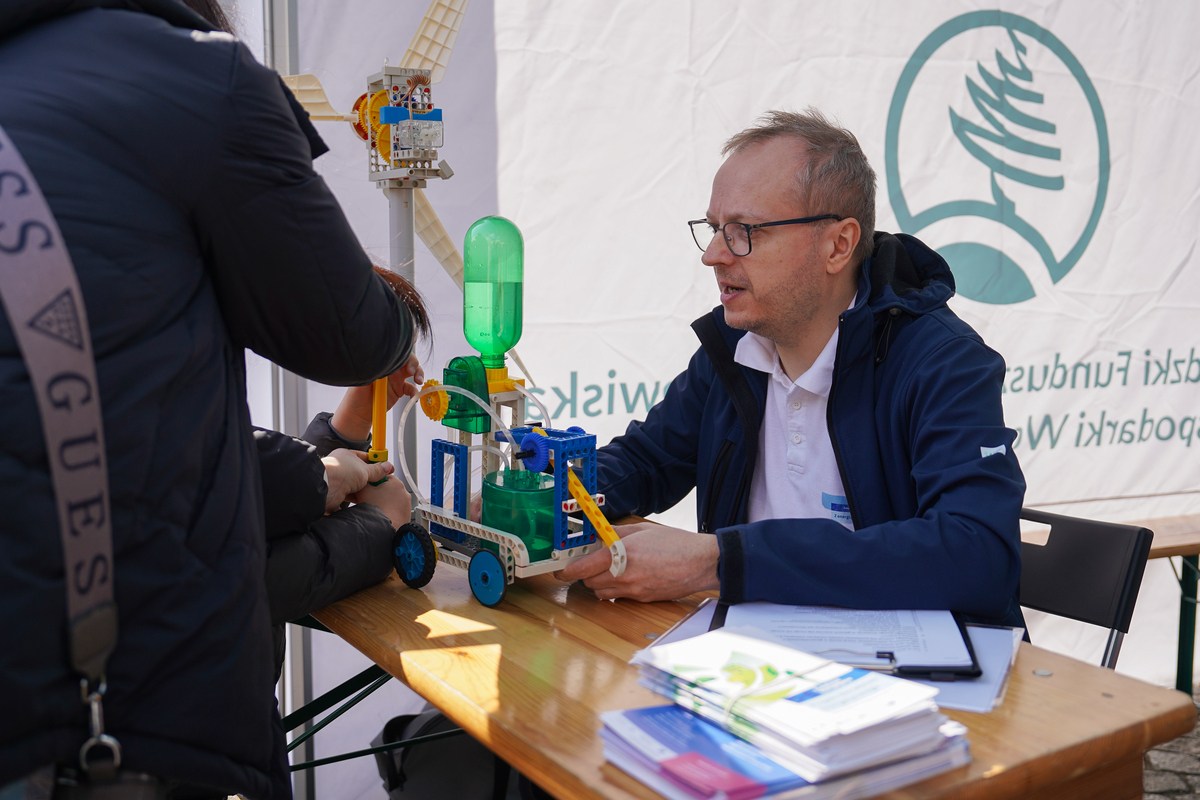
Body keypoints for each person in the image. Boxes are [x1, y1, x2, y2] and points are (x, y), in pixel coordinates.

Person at [0, 2, 416, 798]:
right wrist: (373, 524)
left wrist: (327, 464)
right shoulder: (195, 77)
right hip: (110, 728)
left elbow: (129, 428)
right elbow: (351, 335)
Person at [559, 109, 1027, 629]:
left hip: (907, 670)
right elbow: (647, 461)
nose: (713, 256)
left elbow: (976, 553)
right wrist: (546, 493)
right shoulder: (735, 346)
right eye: (714, 229)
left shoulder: (942, 362)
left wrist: (719, 562)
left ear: (838, 245)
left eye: (744, 231)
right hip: (757, 656)